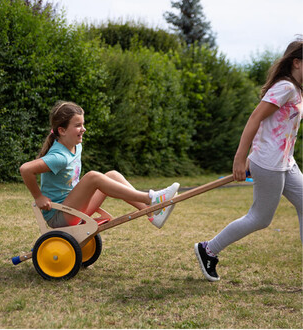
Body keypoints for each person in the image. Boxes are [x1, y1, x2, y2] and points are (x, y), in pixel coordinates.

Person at [194, 39, 303, 282]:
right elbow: (255, 118)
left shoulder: (296, 89)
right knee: (260, 218)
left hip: (286, 162)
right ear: (296, 62)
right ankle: (208, 249)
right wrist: (240, 158)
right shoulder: (284, 87)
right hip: (269, 163)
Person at [20, 101, 180, 229]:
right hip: (59, 216)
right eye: (77, 125)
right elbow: (26, 169)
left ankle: (151, 213)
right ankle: (151, 198)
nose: (83, 129)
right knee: (93, 177)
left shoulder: (76, 146)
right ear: (62, 130)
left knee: (112, 175)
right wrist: (38, 197)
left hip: (73, 209)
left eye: (82, 124)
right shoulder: (58, 156)